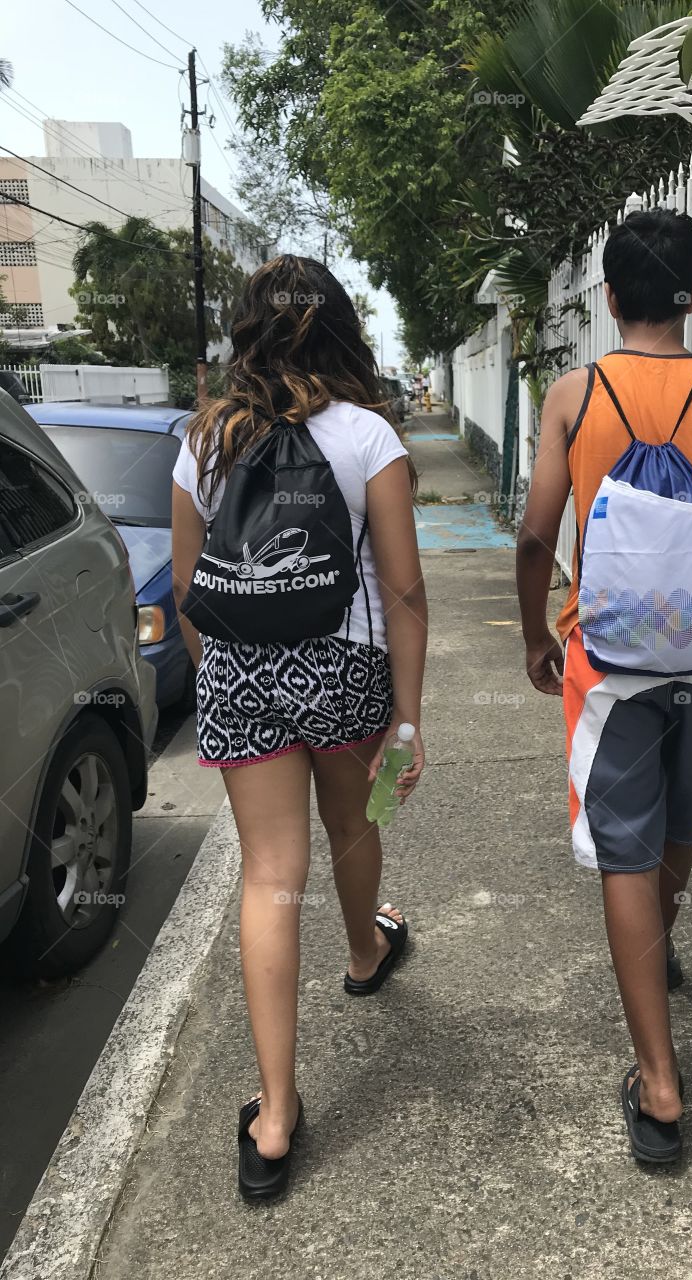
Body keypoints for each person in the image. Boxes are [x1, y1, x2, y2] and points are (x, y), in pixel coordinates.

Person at [516, 208, 692, 1163]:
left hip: (610, 665)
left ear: (607, 298)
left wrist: (531, 637)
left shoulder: (574, 397)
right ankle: (660, 950)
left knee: (624, 850)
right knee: (678, 827)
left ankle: (661, 1086)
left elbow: (536, 537)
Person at [171, 254, 427, 1200]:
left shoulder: (204, 439)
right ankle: (366, 952)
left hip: (244, 669)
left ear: (251, 329)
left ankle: (274, 1118)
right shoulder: (369, 437)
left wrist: (226, 680)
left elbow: (190, 587)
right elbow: (404, 593)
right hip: (347, 667)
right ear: (338, 329)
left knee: (271, 876)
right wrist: (408, 718)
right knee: (354, 824)